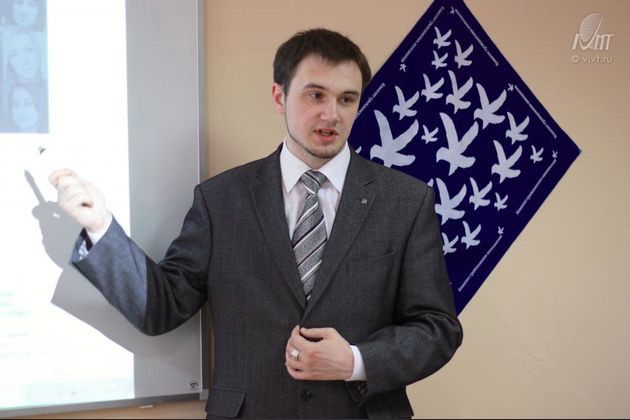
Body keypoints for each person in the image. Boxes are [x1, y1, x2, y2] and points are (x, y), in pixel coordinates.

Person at [49, 28, 463, 419]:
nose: (331, 114)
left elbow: (438, 328)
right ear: (279, 96)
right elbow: (162, 307)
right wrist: (101, 228)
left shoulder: (406, 201)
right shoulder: (220, 200)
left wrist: (355, 360)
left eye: (346, 99)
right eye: (315, 95)